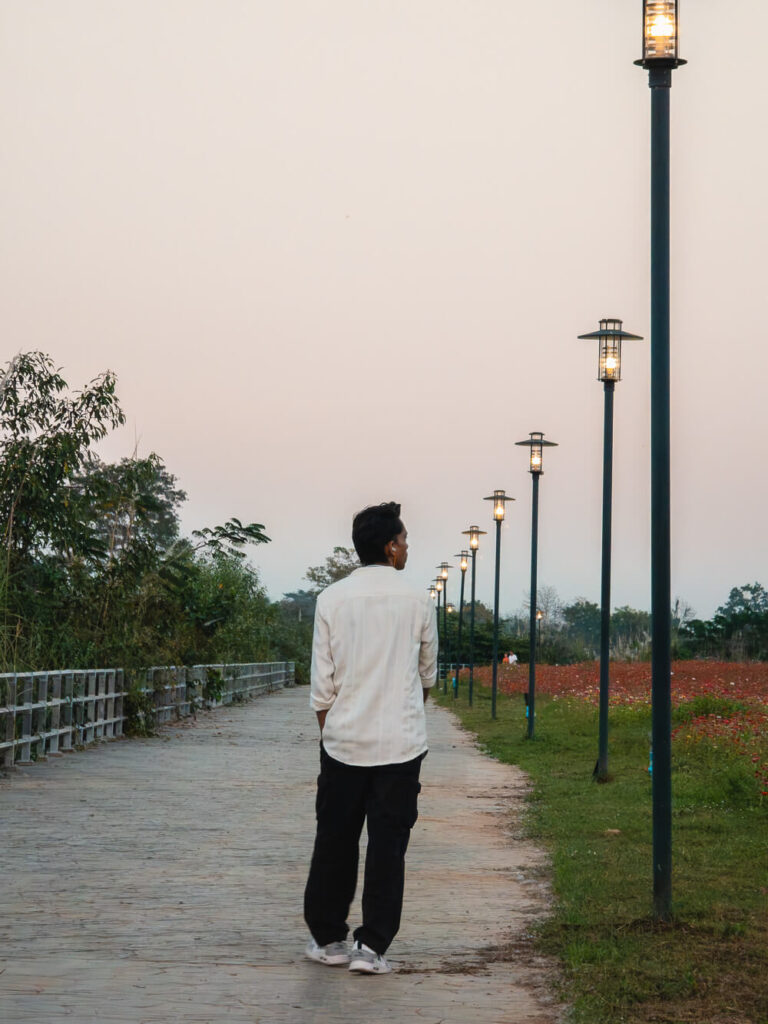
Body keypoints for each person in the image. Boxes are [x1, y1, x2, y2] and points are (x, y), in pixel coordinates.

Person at [303, 501, 438, 975]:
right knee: (388, 846)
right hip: (401, 747)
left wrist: (334, 735)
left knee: (334, 841)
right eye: (403, 540)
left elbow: (322, 687)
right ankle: (372, 946)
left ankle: (329, 940)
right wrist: (402, 716)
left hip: (342, 742)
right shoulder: (418, 601)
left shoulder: (331, 599)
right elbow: (426, 676)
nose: (406, 547)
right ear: (389, 546)